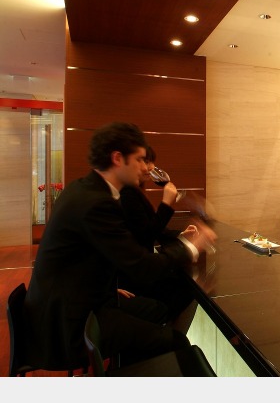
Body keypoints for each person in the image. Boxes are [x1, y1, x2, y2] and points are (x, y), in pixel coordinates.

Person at [23, 122, 216, 370]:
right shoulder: (96, 203)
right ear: (117, 158)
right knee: (176, 342)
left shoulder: (85, 190)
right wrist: (191, 245)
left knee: (154, 313)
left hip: (78, 304)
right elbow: (143, 267)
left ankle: (127, 368)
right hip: (70, 325)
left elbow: (98, 255)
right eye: (139, 159)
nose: (146, 168)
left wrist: (109, 287)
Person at [118, 145, 197, 327]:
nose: (150, 167)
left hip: (134, 272)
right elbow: (146, 234)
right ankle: (169, 336)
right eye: (144, 161)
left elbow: (148, 226)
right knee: (186, 288)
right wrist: (167, 203)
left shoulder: (133, 191)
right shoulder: (127, 193)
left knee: (183, 283)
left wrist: (179, 234)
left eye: (150, 161)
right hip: (132, 277)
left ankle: (169, 334)